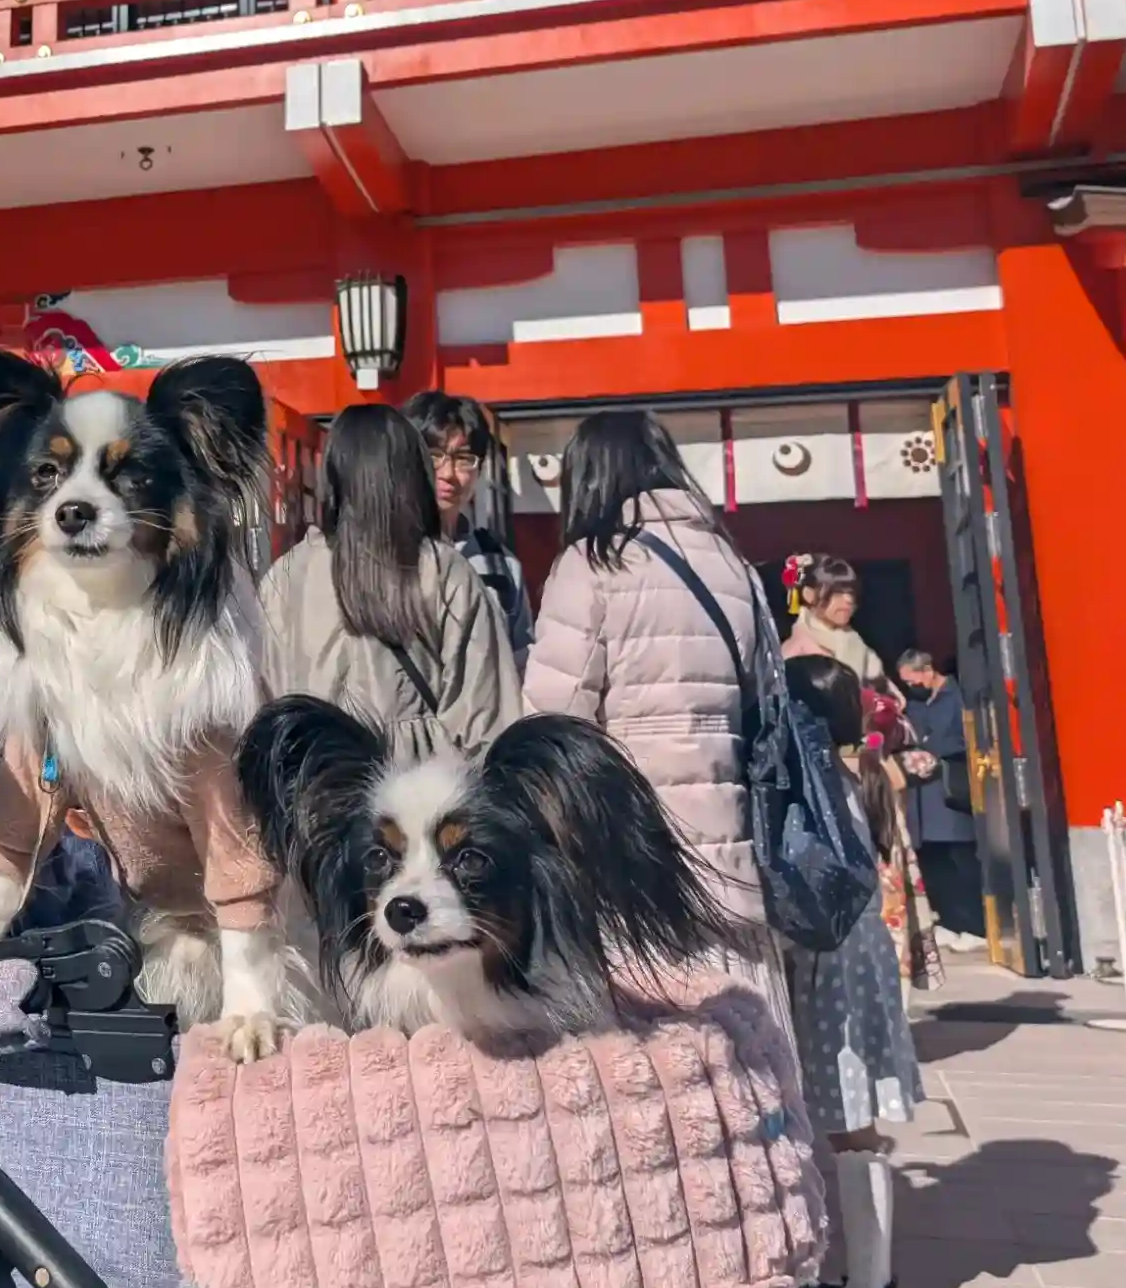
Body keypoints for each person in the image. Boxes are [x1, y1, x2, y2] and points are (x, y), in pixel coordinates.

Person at [523, 409, 767, 933]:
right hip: (731, 827)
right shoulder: (731, 563)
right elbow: (757, 686)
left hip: (632, 837)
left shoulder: (595, 562)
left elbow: (554, 720)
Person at [782, 652, 926, 1288]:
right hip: (861, 956)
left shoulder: (814, 786)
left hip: (828, 961)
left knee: (843, 1121)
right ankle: (867, 1281)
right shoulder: (856, 775)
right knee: (851, 1120)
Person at [260, 403, 522, 758]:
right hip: (418, 783)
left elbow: (263, 705)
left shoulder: (285, 576)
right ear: (412, 473)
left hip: (312, 777)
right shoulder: (442, 570)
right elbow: (485, 721)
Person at [401, 390, 533, 666]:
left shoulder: (502, 566)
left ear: (479, 469)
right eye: (434, 456)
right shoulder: (386, 556)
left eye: (463, 458)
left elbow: (521, 662)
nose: (448, 473)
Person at [896, 647, 987, 951]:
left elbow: (968, 737)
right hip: (920, 793)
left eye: (913, 680)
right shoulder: (915, 704)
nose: (912, 687)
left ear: (928, 670)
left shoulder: (956, 696)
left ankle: (975, 926)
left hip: (948, 788)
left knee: (959, 859)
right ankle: (948, 922)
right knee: (934, 862)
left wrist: (931, 748)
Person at [860, 688, 944, 996]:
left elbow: (928, 765)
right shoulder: (889, 764)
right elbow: (928, 765)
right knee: (894, 935)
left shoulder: (865, 763)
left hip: (873, 859)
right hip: (890, 857)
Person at [783, 554, 898, 693]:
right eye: (838, 592)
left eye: (851, 593)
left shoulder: (854, 641)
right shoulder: (797, 650)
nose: (849, 599)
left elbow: (878, 682)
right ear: (809, 595)